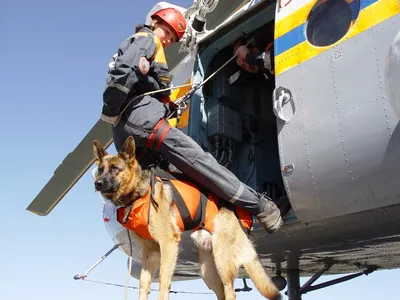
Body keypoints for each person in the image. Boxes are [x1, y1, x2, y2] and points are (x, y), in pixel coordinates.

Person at [100, 7, 283, 234]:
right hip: (143, 122)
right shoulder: (147, 40)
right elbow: (123, 73)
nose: (168, 40)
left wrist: (163, 107)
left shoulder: (134, 45)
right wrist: (112, 109)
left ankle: (221, 224)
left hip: (126, 132)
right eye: (167, 32)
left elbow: (138, 83)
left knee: (174, 177)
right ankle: (260, 207)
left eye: (172, 38)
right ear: (156, 22)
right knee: (200, 163)